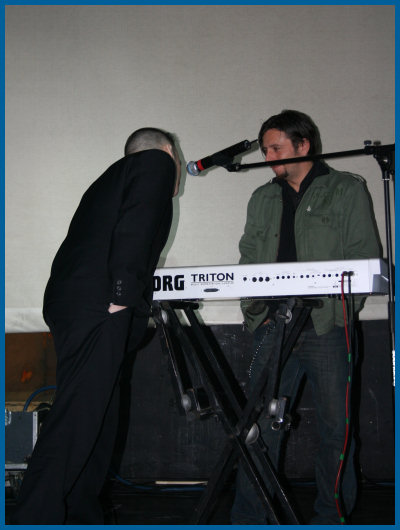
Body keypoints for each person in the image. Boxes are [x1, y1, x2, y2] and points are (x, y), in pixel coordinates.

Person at [11, 127, 182, 524]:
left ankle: (79, 512)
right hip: (100, 305)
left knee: (98, 418)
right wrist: (122, 295)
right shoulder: (155, 162)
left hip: (77, 303)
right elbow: (135, 229)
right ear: (169, 150)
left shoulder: (107, 182)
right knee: (79, 419)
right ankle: (36, 517)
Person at [230, 110, 381, 524]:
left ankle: (330, 518)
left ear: (303, 145)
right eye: (265, 150)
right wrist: (254, 312)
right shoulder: (262, 197)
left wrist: (339, 312)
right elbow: (247, 256)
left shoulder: (345, 190)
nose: (268, 155)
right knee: (257, 428)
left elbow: (364, 258)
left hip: (326, 328)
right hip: (273, 325)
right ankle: (250, 519)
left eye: (276, 147)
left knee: (336, 429)